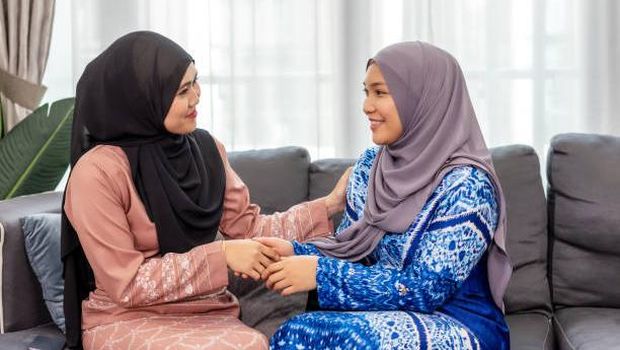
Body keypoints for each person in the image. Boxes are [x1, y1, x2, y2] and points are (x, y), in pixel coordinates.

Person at [60, 31, 348, 350]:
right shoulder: (98, 173)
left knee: (255, 344)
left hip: (210, 311)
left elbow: (250, 231)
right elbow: (126, 283)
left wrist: (330, 204)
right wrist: (221, 255)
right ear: (143, 99)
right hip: (126, 318)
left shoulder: (207, 151)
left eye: (196, 82)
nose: (197, 97)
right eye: (183, 90)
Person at [258, 41, 512, 349]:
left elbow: (426, 288)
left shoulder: (468, 186)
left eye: (380, 92)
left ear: (422, 99)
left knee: (352, 340)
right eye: (366, 92)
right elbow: (354, 250)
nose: (366, 106)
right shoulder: (371, 166)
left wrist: (320, 272)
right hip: (384, 312)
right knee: (297, 332)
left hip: (457, 321)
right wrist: (294, 252)